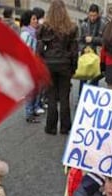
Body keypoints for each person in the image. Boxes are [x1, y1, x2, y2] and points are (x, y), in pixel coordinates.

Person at [36, 0, 78, 135]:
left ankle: (51, 127)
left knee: (52, 95)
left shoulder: (45, 27)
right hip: (65, 63)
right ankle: (65, 127)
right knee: (64, 96)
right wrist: (73, 67)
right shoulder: (71, 27)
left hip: (49, 63)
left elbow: (40, 49)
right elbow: (74, 51)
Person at [20, 9, 45, 123]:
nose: (36, 21)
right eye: (33, 19)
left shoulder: (33, 33)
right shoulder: (26, 33)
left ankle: (32, 110)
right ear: (28, 21)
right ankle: (29, 113)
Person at [78, 4, 105, 94]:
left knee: (95, 78)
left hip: (96, 56)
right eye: (91, 15)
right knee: (83, 78)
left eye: (94, 16)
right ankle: (81, 97)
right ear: (88, 14)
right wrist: (84, 48)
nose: (92, 18)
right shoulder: (83, 24)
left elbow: (105, 40)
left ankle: (92, 99)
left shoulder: (103, 24)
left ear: (98, 14)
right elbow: (79, 40)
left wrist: (93, 39)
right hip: (85, 55)